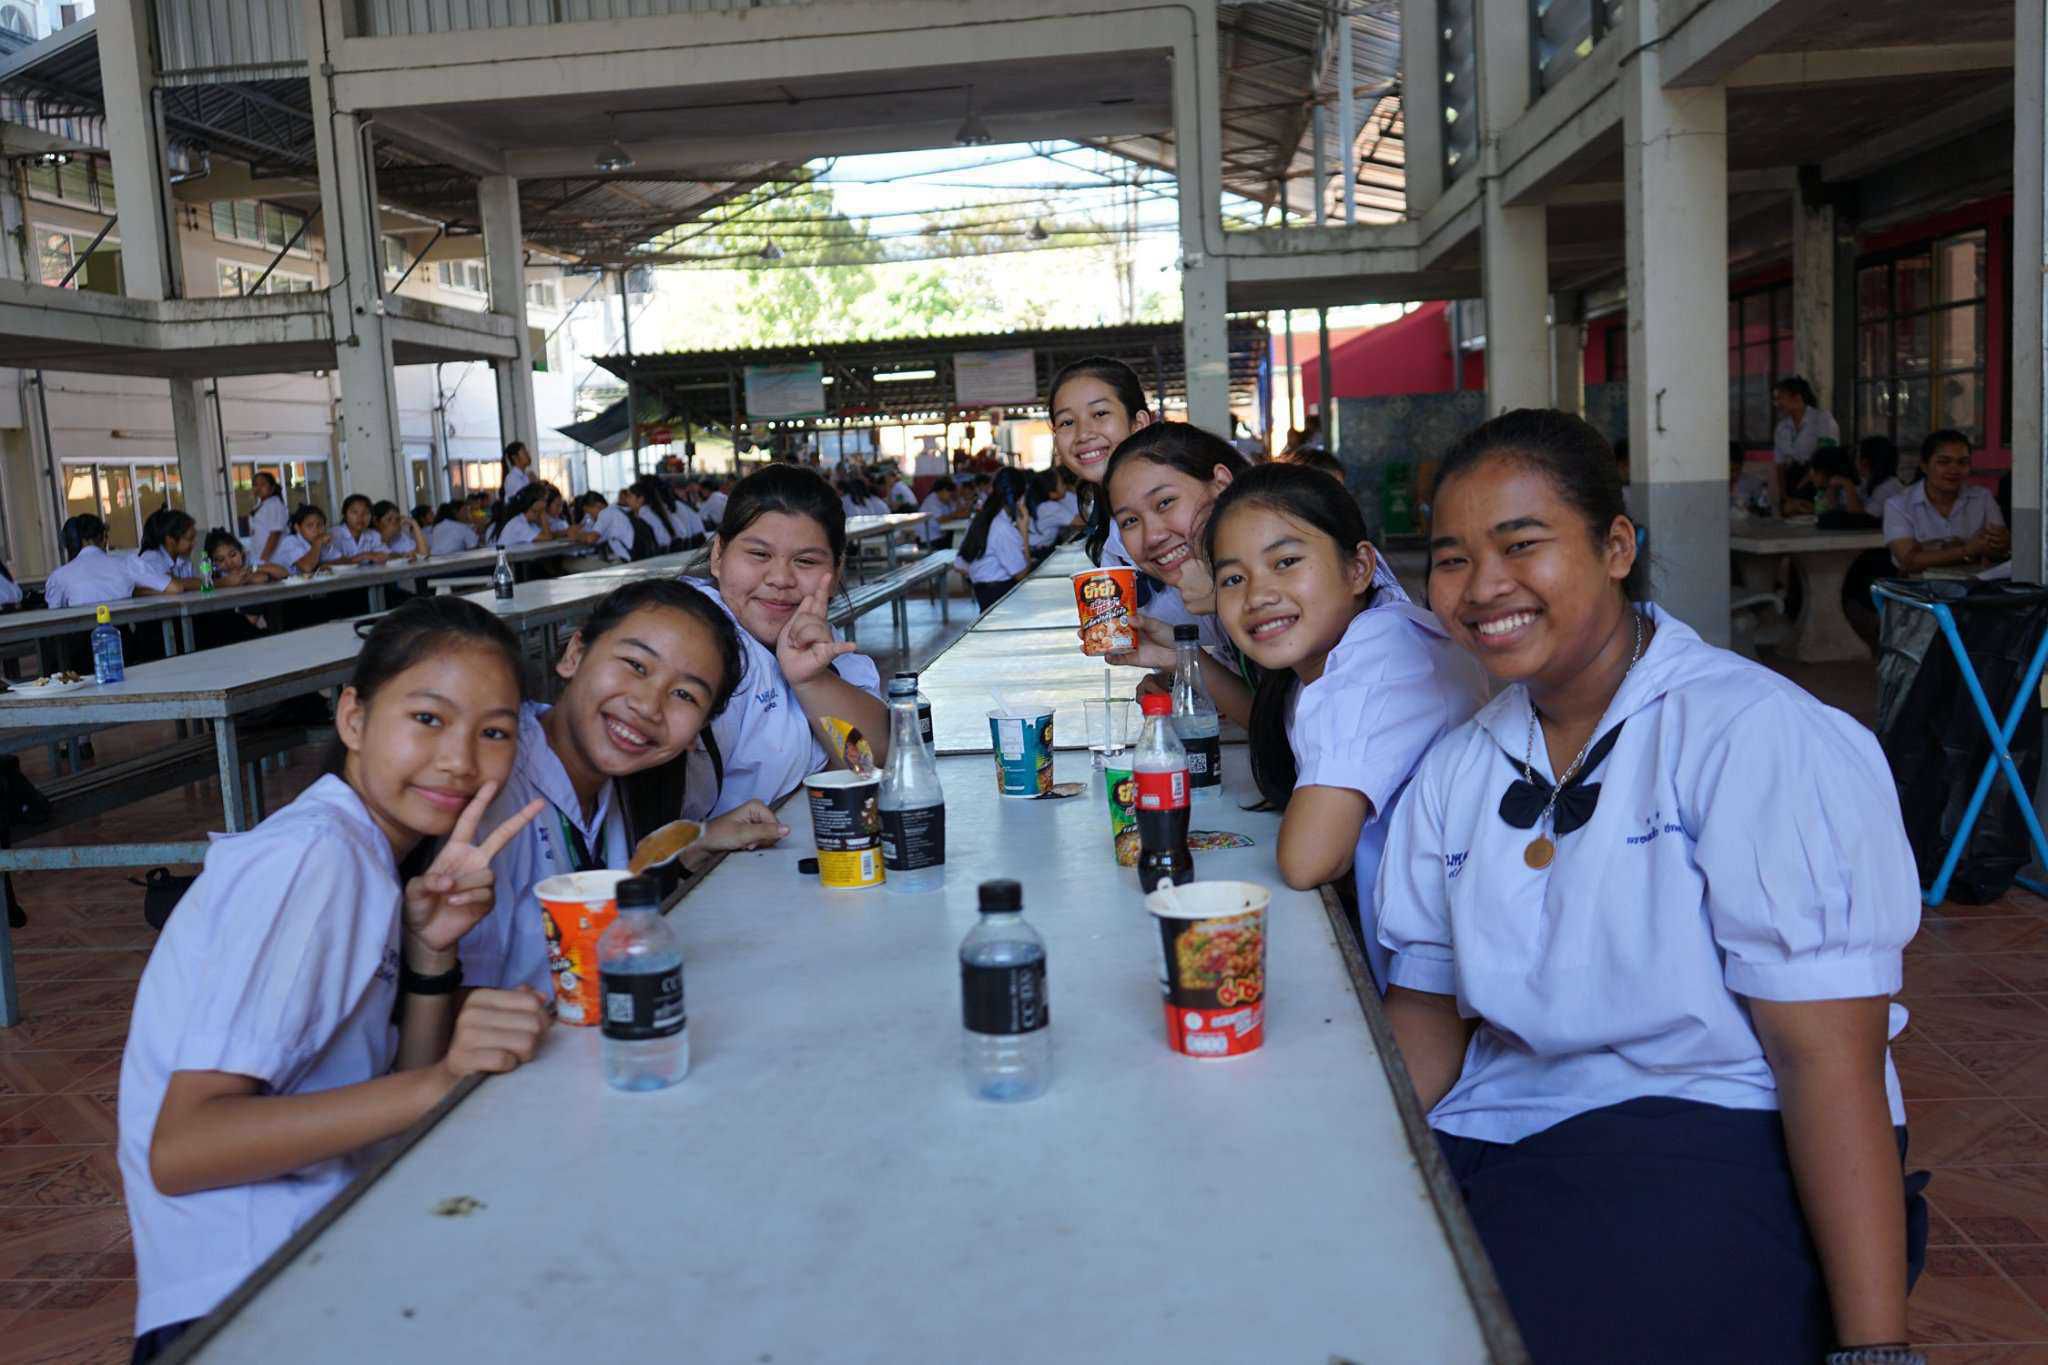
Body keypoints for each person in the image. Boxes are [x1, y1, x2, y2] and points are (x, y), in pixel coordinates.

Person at [1380, 408, 1924, 1363]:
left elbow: (1827, 1061)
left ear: (1617, 547)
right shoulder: (1460, 767)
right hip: (1499, 1126)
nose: (1484, 585)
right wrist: (1347, 1158)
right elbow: (1427, 1017)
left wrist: (1875, 1347)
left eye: (1521, 544)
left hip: (1712, 1122)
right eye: (1453, 559)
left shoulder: (1752, 734)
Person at [117, 597, 552, 1359]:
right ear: (353, 717)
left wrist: (430, 955)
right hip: (245, 1302)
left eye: (494, 732)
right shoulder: (317, 856)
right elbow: (185, 1146)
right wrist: (443, 1081)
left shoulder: (363, 853)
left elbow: (399, 1096)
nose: (460, 758)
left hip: (311, 1259)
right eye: (428, 718)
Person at [1207, 462, 1487, 987]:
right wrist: (1180, 660)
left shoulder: (1380, 654)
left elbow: (1308, 860)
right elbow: (1287, 733)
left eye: (1286, 562)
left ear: (1359, 568)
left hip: (1448, 985)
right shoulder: (1329, 655)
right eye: (1233, 579)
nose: (1258, 595)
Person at [460, 580, 790, 994]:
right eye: (636, 665)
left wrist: (694, 844)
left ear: (698, 732)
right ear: (575, 654)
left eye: (684, 694)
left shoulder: (614, 785)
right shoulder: (486, 778)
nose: (648, 706)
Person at [679, 464, 887, 822]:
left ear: (836, 570)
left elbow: (868, 762)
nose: (780, 579)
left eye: (805, 561)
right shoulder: (685, 640)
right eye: (759, 555)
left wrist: (812, 681)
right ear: (718, 556)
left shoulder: (823, 641)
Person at [1098, 424, 1255, 726]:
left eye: (1165, 502)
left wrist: (1226, 596)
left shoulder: (1286, 563)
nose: (1152, 536)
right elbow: (1273, 724)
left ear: (1221, 484)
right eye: (1130, 521)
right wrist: (1177, 658)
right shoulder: (1218, 579)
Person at [1048, 356, 1154, 573]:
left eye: (1100, 413)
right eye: (1067, 422)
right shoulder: (1108, 520)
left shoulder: (1180, 503)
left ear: (1138, 424)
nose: (1083, 434)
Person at [1883, 429, 2008, 572]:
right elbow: (1909, 561)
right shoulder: (1898, 505)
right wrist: (1968, 550)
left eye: (1963, 462)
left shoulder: (1982, 497)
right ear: (1924, 466)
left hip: (1975, 583)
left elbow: (1997, 547)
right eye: (1943, 462)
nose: (1954, 470)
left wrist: (2002, 543)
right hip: (1919, 584)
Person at [45, 515, 182, 608]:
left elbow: (54, 617)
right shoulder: (128, 563)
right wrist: (136, 593)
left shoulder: (58, 576)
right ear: (104, 538)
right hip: (124, 638)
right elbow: (175, 588)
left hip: (81, 642)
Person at [955, 466, 1032, 611]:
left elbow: (960, 565)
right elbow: (1021, 574)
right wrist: (1024, 532)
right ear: (1021, 498)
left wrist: (983, 571)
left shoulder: (980, 518)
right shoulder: (1002, 527)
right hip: (1000, 595)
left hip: (984, 594)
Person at [1770, 376, 1840, 467]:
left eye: (1780, 398)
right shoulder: (1781, 428)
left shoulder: (1823, 420)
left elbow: (1826, 458)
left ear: (1797, 398)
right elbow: (1779, 464)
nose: (1776, 404)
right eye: (1775, 400)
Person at [138, 509, 202, 591]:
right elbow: (172, 584)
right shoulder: (151, 558)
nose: (194, 543)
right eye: (190, 539)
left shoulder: (184, 559)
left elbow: (198, 583)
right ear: (170, 540)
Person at [202, 529, 284, 586]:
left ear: (241, 552)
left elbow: (283, 572)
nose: (229, 563)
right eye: (221, 560)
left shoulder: (251, 561)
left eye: (233, 555)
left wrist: (252, 569)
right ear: (213, 563)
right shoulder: (215, 577)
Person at [274, 504, 338, 577]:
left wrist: (324, 564)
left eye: (320, 525)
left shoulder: (320, 541)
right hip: (282, 583)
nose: (316, 530)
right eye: (310, 525)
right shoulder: (290, 542)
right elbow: (307, 567)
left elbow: (342, 559)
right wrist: (317, 543)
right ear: (297, 528)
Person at [245, 471, 290, 569]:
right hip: (259, 556)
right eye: (255, 485)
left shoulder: (274, 504)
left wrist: (263, 560)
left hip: (272, 558)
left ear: (272, 487)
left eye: (263, 484)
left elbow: (275, 534)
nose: (258, 487)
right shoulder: (261, 505)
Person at [1857, 437, 1907, 521]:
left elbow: (1862, 519)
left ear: (1865, 462)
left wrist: (1847, 486)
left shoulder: (1887, 488)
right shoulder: (1873, 483)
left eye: (1857, 457)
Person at [330, 494, 390, 565]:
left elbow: (388, 555)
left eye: (366, 513)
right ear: (345, 515)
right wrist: (363, 556)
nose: (360, 517)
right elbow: (326, 563)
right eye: (355, 512)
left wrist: (382, 556)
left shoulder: (373, 535)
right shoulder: (333, 534)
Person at [490, 485, 555, 549]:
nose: (546, 504)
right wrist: (543, 515)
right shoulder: (519, 524)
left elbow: (547, 535)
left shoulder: (529, 523)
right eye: (544, 500)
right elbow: (547, 538)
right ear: (536, 502)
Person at [623, 479, 674, 553]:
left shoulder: (645, 515)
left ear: (640, 499)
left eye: (630, 496)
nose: (627, 500)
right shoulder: (645, 512)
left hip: (661, 552)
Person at [1027, 469, 1067, 554]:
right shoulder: (1050, 507)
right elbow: (1080, 522)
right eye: (1062, 483)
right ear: (1052, 493)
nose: (1065, 486)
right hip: (1038, 552)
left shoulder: (1040, 504)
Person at [915, 476, 955, 547]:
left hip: (939, 535)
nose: (951, 494)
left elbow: (955, 512)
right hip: (929, 539)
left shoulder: (946, 500)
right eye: (949, 492)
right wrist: (956, 514)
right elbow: (941, 519)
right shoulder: (931, 501)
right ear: (942, 491)